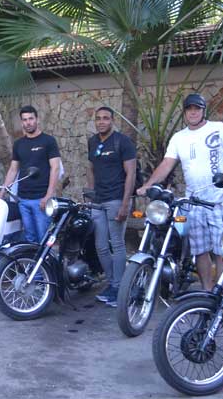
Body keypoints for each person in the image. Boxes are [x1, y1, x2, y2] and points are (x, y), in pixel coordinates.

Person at [137, 94, 223, 290]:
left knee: (221, 251)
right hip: (194, 202)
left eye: (197, 108)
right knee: (200, 250)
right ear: (184, 112)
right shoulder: (179, 137)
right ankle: (207, 291)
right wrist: (148, 185)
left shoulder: (218, 129)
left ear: (203, 111)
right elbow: (167, 164)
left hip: (220, 200)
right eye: (189, 109)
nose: (193, 112)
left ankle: (220, 293)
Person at [87, 107, 137, 307]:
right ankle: (111, 283)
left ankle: (119, 288)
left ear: (112, 121)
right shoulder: (92, 142)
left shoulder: (122, 142)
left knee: (116, 244)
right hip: (98, 200)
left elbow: (131, 173)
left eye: (105, 118)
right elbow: (90, 168)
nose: (101, 122)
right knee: (100, 245)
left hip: (116, 199)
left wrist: (125, 203)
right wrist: (90, 193)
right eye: (98, 118)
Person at [0, 105, 61, 244]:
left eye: (31, 119)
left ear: (37, 120)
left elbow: (55, 168)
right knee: (29, 239)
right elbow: (13, 169)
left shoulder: (48, 141)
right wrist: (2, 193)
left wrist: (48, 195)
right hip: (23, 199)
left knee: (43, 239)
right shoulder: (18, 144)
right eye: (25, 120)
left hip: (41, 200)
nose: (28, 122)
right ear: (22, 122)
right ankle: (32, 265)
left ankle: (45, 265)